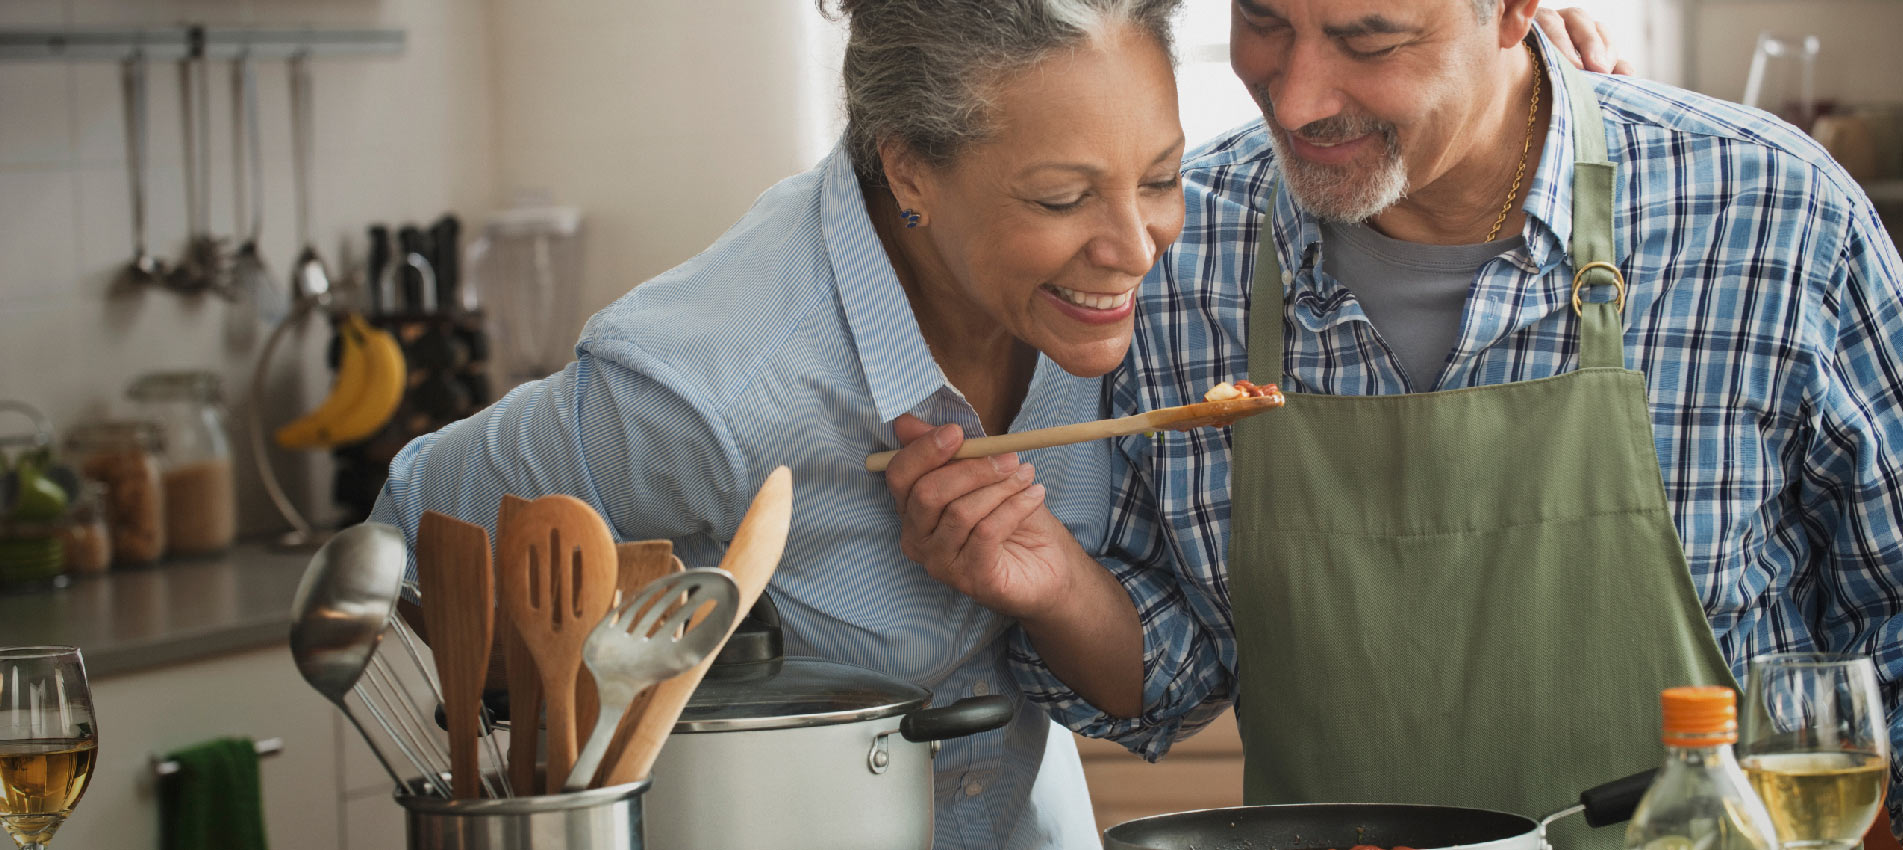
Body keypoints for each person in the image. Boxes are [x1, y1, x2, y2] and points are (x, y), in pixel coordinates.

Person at [373, 1, 1621, 847]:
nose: (1134, 247)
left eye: (1159, 176)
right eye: (1062, 196)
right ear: (908, 167)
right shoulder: (702, 384)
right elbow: (412, 547)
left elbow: (1167, 687)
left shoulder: (1146, 297)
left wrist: (1503, 62)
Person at [879, 0, 1903, 847]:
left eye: (1369, 40)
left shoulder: (1775, 216)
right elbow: (1179, 670)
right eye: (1262, 21)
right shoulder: (1177, 254)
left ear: (1513, 12)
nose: (1296, 94)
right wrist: (1052, 579)